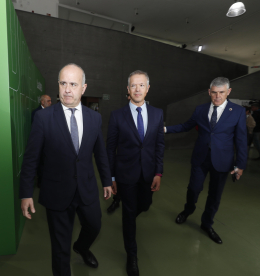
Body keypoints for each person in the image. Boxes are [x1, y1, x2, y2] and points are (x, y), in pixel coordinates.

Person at [20, 64, 113, 276]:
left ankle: (81, 247)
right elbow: (31, 158)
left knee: (94, 226)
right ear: (58, 86)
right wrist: (26, 193)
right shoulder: (43, 118)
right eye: (63, 83)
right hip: (57, 191)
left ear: (83, 88)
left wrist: (107, 180)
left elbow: (100, 153)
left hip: (87, 189)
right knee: (60, 248)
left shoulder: (94, 118)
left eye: (73, 84)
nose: (67, 89)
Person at [165, 77, 247, 244]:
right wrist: (165, 129)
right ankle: (188, 211)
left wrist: (240, 164)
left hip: (223, 161)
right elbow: (185, 126)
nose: (217, 96)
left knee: (215, 196)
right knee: (193, 189)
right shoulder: (201, 109)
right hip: (200, 157)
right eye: (214, 93)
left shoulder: (237, 111)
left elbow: (241, 140)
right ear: (209, 92)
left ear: (228, 92)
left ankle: (207, 224)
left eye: (221, 93)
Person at [106, 70, 164, 276]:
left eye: (141, 85)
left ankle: (127, 213)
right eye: (133, 85)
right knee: (129, 214)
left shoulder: (157, 114)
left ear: (148, 89)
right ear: (128, 90)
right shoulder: (117, 116)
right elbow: (110, 149)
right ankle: (132, 255)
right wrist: (111, 177)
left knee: (145, 205)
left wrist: (158, 173)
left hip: (148, 173)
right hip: (125, 174)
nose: (137, 89)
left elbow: (159, 146)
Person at [107, 92, 132, 214]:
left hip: (140, 163)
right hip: (122, 162)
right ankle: (116, 201)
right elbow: (111, 146)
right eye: (127, 95)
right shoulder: (119, 115)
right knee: (119, 186)